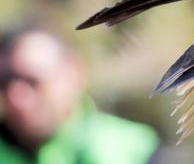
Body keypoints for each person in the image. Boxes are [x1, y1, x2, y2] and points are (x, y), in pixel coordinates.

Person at [0, 24, 160, 164]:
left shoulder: (133, 150)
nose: (17, 98)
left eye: (32, 80)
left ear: (74, 73)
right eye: (5, 82)